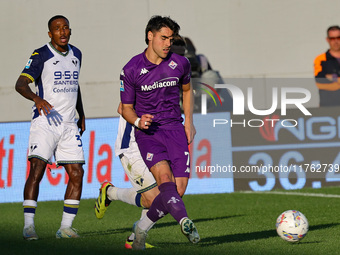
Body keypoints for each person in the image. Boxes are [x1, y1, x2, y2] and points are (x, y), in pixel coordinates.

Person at [120, 15, 200, 250]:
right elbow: (125, 108)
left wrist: (189, 122)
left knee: (179, 190)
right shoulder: (131, 68)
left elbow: (187, 90)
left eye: (171, 39)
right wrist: (137, 121)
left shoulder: (180, 63)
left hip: (175, 129)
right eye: (163, 38)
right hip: (149, 133)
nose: (167, 43)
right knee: (165, 179)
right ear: (150, 36)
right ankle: (185, 221)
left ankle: (141, 230)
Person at [15, 15, 85, 240]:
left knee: (77, 173)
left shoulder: (77, 55)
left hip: (68, 124)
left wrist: (81, 113)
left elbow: (75, 85)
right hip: (45, 121)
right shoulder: (40, 54)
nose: (62, 32)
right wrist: (37, 99)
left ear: (70, 31)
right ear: (50, 34)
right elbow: (20, 84)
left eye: (65, 28)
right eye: (57, 29)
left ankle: (65, 228)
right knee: (37, 170)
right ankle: (28, 227)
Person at [94, 103, 159, 249]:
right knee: (155, 199)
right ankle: (111, 193)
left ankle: (135, 238)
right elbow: (122, 108)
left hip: (152, 145)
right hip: (132, 147)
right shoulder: (139, 81)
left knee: (165, 193)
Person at [314, 25, 340, 106]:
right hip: (328, 106)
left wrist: (333, 78)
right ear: (327, 40)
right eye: (332, 38)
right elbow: (319, 81)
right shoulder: (320, 59)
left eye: (338, 38)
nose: (336, 41)